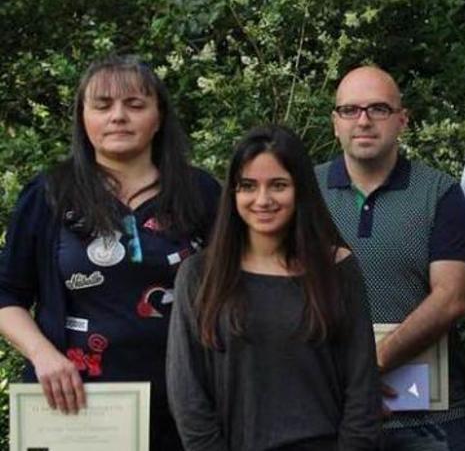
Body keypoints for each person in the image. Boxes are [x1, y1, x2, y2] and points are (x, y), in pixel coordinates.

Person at [0, 55, 220, 449]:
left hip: (186, 407)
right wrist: (42, 355)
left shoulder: (200, 193)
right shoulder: (49, 195)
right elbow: (6, 293)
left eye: (135, 105)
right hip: (78, 408)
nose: (118, 116)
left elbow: (239, 285)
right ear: (83, 117)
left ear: (159, 116)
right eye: (102, 105)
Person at [167, 125, 380, 450]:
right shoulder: (199, 275)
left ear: (300, 190)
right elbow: (187, 393)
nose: (262, 200)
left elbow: (362, 387)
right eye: (248, 186)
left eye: (278, 185)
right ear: (233, 193)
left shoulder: (337, 269)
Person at [315, 66, 465, 450]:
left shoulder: (441, 193)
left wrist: (369, 368)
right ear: (335, 122)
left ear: (402, 120)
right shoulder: (305, 192)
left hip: (431, 413)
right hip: (332, 408)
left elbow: (451, 299)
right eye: (350, 110)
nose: (363, 121)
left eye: (378, 109)